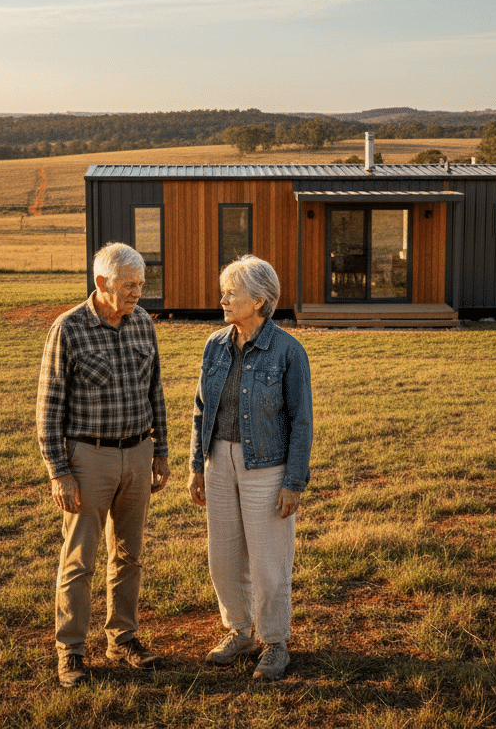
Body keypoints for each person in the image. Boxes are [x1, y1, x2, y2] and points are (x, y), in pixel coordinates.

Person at [36, 242, 170, 689]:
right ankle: (71, 650)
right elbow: (49, 407)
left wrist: (160, 451)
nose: (137, 293)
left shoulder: (143, 325)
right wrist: (59, 471)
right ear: (101, 283)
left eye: (141, 285)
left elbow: (156, 392)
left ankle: (123, 639)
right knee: (80, 559)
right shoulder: (68, 328)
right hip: (87, 458)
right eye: (129, 285)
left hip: (137, 454)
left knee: (130, 555)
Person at [188, 255, 313, 681]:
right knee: (223, 556)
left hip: (267, 468)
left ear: (259, 300)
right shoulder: (214, 345)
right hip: (218, 462)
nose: (223, 299)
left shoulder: (288, 351)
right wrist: (197, 466)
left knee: (268, 561)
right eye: (223, 291)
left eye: (231, 293)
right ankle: (240, 632)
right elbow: (200, 409)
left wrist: (293, 481)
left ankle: (275, 642)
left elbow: (302, 421)